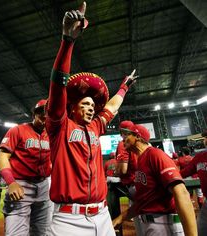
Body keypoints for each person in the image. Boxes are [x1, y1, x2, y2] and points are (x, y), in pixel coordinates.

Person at [45, 2, 138, 236]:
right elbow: (58, 86)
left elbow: (112, 107)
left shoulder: (96, 126)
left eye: (92, 105)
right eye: (84, 104)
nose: (90, 108)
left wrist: (124, 88)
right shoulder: (60, 125)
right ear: (72, 108)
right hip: (69, 220)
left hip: (103, 216)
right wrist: (68, 41)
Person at [113, 121, 197, 236]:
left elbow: (182, 193)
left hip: (164, 224)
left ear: (137, 136)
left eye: (127, 135)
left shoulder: (155, 154)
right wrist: (120, 218)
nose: (123, 139)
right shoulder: (141, 160)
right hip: (150, 223)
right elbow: (144, 201)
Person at [0, 99, 52, 236]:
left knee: (42, 232)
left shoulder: (52, 134)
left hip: (44, 185)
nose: (45, 115)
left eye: (48, 112)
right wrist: (11, 182)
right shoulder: (18, 130)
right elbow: (2, 157)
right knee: (16, 233)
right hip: (21, 185)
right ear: (34, 115)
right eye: (41, 113)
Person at [180, 130, 207, 236]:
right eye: (205, 137)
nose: (205, 139)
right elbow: (183, 173)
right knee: (199, 231)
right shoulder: (200, 157)